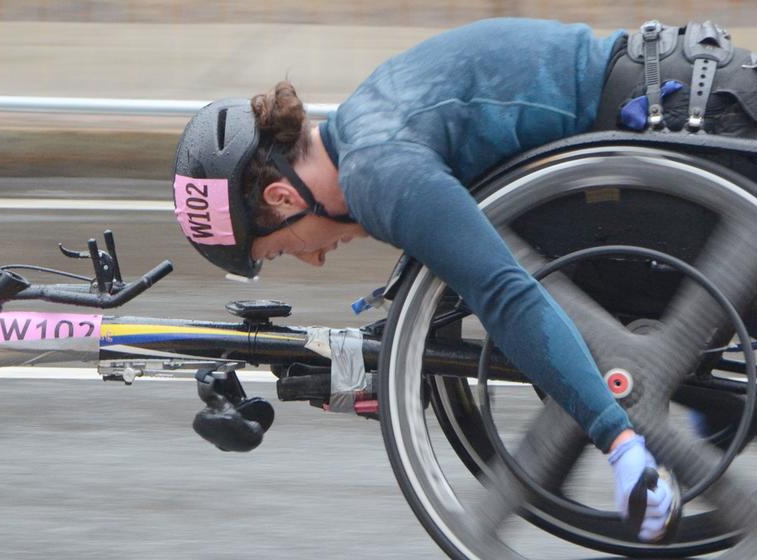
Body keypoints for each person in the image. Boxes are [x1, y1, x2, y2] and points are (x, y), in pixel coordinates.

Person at [171, 18, 707, 542]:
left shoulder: (376, 172)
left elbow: (505, 292)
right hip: (657, 90)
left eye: (285, 248)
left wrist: (619, 443)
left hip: (674, 109)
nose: (313, 262)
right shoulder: (367, 124)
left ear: (282, 198)